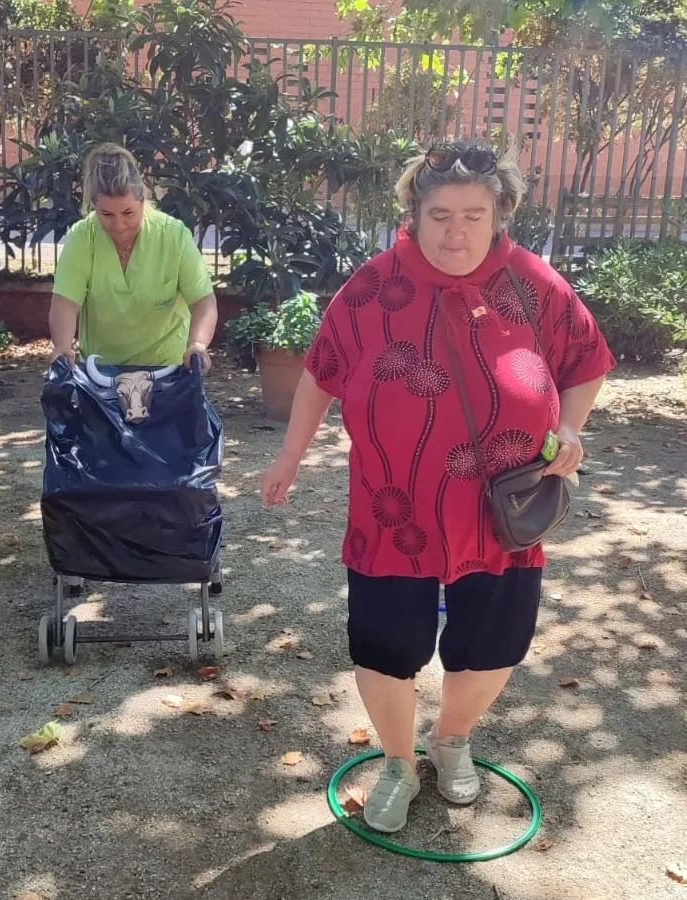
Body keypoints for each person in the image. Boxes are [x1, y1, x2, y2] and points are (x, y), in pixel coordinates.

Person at [260, 141, 616, 833]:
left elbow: (587, 358)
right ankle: (398, 762)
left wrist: (570, 428)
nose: (456, 232)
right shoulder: (373, 286)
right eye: (440, 215)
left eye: (473, 216)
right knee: (385, 643)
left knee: (494, 641)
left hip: (502, 507)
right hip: (394, 507)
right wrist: (289, 458)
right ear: (414, 214)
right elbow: (320, 374)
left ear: (499, 215)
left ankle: (451, 740)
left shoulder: (533, 282)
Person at [49, 143, 218, 372]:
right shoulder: (83, 237)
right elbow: (65, 302)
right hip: (101, 371)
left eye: (128, 213)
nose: (119, 225)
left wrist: (197, 345)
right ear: (93, 206)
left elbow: (203, 301)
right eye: (106, 214)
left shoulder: (174, 235)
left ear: (143, 200)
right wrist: (62, 346)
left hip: (167, 369)